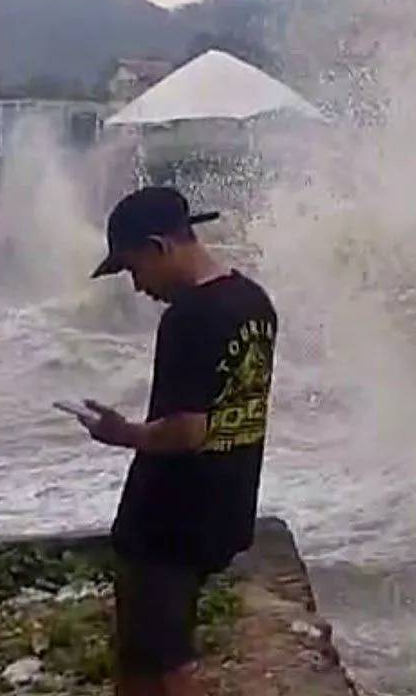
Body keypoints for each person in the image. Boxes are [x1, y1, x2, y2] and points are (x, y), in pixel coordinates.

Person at [75, 186, 278, 696]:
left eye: (132, 268)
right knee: (150, 654)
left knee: (164, 663)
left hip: (168, 521)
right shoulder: (255, 302)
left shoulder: (188, 317)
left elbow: (187, 429)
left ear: (158, 247)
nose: (138, 286)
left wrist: (120, 433)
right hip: (227, 504)